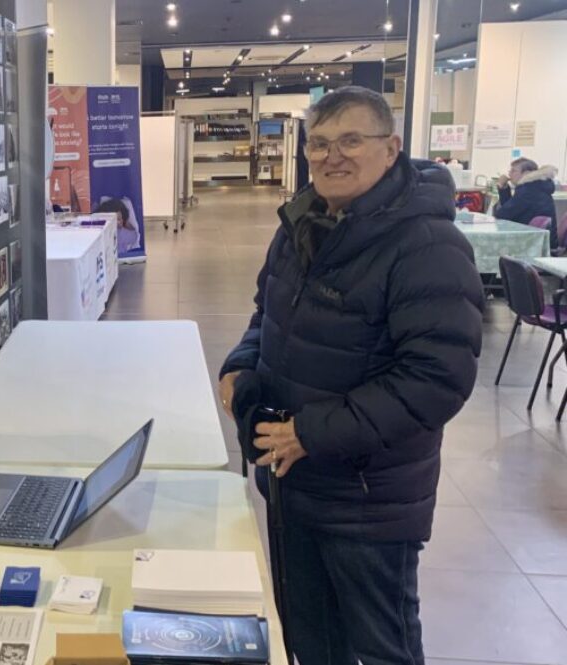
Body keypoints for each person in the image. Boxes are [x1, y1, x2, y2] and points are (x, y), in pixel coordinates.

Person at [218, 86, 483, 665]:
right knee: (309, 641)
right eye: (319, 144)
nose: (331, 156)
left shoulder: (427, 245)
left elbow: (438, 378)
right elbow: (267, 315)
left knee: (381, 646)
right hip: (292, 486)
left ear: (391, 150)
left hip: (368, 500)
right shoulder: (300, 226)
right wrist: (240, 366)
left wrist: (312, 433)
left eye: (350, 141)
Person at [495, 157, 558, 247]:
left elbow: (502, 215)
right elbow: (508, 211)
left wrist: (501, 186)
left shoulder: (528, 190)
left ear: (526, 173)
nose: (509, 174)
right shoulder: (536, 186)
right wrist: (504, 188)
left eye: (514, 171)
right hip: (539, 240)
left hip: (534, 244)